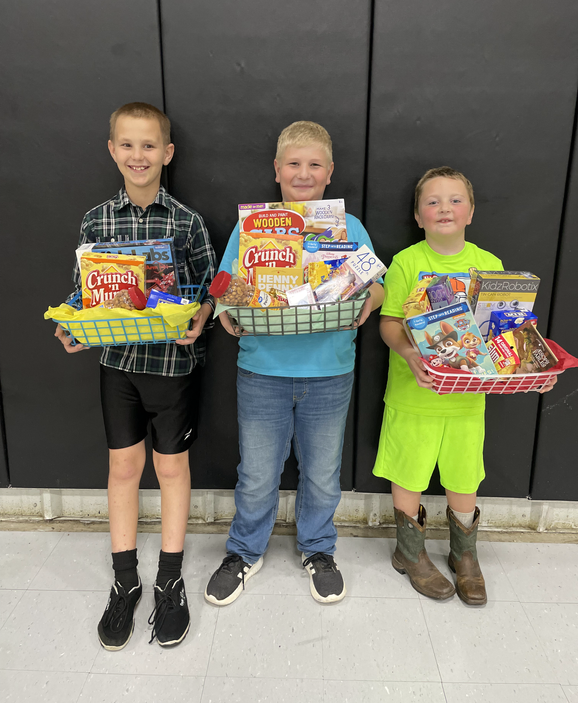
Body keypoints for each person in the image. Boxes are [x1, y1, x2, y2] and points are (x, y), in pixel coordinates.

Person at [54, 102, 217, 649]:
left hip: (173, 368)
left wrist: (198, 321)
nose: (138, 155)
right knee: (123, 467)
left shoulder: (187, 221)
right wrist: (73, 324)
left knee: (172, 469)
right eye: (127, 144)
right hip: (119, 365)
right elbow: (84, 292)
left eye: (149, 145)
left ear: (167, 154)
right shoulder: (96, 220)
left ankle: (169, 579)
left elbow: (210, 293)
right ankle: (125, 581)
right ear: (111, 150)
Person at [205, 121, 385, 606]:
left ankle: (318, 550)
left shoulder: (346, 227)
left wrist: (368, 302)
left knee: (323, 473)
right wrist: (226, 314)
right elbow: (224, 285)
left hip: (329, 371)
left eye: (314, 165)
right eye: (293, 164)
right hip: (263, 369)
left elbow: (377, 283)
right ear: (277, 170)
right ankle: (244, 551)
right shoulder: (252, 227)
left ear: (329, 173)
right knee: (258, 472)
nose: (303, 174)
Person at [373, 166, 556, 605]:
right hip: (413, 393)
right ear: (418, 215)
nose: (444, 208)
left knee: (463, 473)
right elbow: (389, 322)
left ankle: (464, 555)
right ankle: (409, 552)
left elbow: (504, 329)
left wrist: (531, 363)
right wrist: (410, 353)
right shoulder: (407, 262)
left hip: (468, 400)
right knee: (408, 471)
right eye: (432, 201)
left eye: (455, 200)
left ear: (471, 211)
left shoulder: (489, 265)